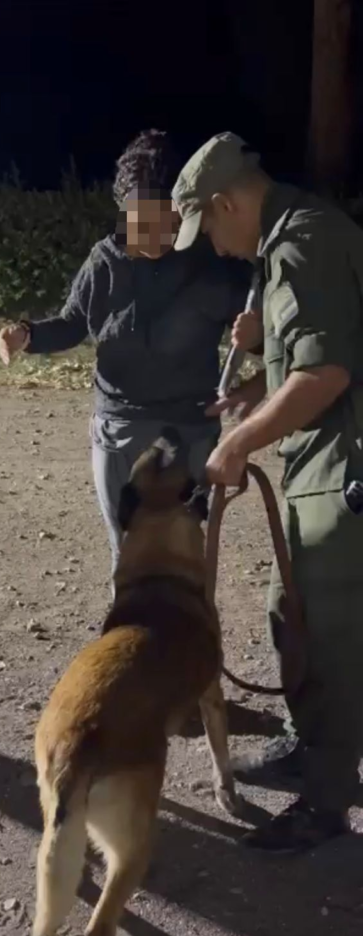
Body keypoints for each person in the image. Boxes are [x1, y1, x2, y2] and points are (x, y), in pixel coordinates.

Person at [173, 131, 363, 853]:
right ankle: (303, 741)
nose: (217, 248)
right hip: (325, 459)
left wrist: (237, 444)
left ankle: (326, 801)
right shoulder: (295, 237)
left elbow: (325, 377)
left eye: (210, 229)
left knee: (333, 639)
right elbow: (321, 352)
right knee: (293, 610)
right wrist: (253, 381)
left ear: (225, 202)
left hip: (345, 467)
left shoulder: (300, 246)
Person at [0, 130, 250, 576]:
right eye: (138, 222)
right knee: (128, 557)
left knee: (185, 555)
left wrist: (252, 331)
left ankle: (185, 639)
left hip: (189, 427)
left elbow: (252, 328)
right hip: (119, 427)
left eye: (163, 221)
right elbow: (74, 322)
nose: (151, 235)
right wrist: (26, 334)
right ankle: (132, 638)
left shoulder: (211, 259)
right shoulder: (106, 260)